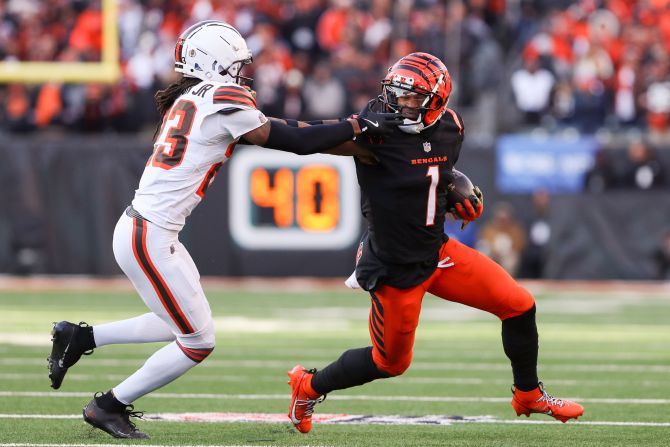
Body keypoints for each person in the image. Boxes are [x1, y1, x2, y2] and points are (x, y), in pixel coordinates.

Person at [46, 20, 399, 440]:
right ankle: (109, 405)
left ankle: (81, 337)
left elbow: (292, 131)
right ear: (215, 64)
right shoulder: (219, 96)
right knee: (197, 341)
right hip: (150, 235)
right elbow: (292, 140)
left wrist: (355, 134)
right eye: (236, 65)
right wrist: (358, 126)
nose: (243, 73)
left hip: (147, 230)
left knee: (178, 324)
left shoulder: (193, 98)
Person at [286, 52, 584, 434]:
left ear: (436, 102)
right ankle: (308, 386)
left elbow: (436, 170)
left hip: (438, 253)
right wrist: (252, 130)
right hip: (397, 269)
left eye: (410, 97)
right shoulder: (375, 131)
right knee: (390, 363)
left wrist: (454, 190)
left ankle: (528, 393)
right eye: (395, 93)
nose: (399, 102)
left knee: (519, 305)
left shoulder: (451, 127)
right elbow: (304, 138)